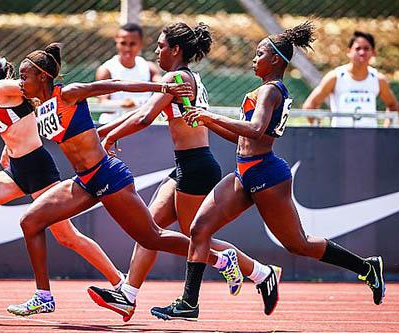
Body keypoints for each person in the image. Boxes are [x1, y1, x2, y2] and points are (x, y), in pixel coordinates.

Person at [151, 21, 386, 322]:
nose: (253, 59)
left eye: (259, 53)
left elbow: (256, 129)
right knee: (198, 229)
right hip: (244, 173)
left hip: (266, 175)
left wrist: (210, 115)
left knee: (297, 243)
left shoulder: (271, 91)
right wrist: (209, 122)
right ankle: (188, 302)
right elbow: (242, 138)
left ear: (275, 59)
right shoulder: (263, 90)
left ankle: (366, 268)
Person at [6, 42, 242, 316]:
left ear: (42, 77)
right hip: (83, 182)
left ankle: (220, 259)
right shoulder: (40, 107)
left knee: (153, 238)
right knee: (30, 221)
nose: (20, 83)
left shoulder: (68, 93)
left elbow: (117, 85)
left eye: (24, 77)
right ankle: (43, 296)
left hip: (108, 176)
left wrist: (163, 89)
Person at [87, 22, 276, 321]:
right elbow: (141, 111)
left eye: (161, 46)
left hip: (197, 167)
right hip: (186, 165)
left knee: (197, 240)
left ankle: (260, 272)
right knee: (149, 228)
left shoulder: (176, 76)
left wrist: (110, 136)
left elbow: (146, 117)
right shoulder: (184, 76)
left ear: (176, 49)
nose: (157, 51)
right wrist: (105, 131)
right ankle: (127, 295)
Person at [0, 50, 126, 310]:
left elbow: (36, 88)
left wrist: (50, 80)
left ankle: (119, 283)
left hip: (37, 169)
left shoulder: (2, 87)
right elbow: (24, 114)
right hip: (16, 170)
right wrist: (8, 146)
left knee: (68, 237)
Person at [303, 31, 398, 128]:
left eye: (366, 48)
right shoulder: (335, 77)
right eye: (358, 48)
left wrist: (386, 131)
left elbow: (393, 106)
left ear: (373, 52)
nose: (362, 52)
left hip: (369, 139)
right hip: (340, 139)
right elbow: (310, 105)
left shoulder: (378, 79)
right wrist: (320, 131)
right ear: (349, 51)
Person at [96, 23, 161, 124]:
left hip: (142, 125)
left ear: (141, 43)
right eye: (123, 43)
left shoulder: (149, 68)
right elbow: (103, 103)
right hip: (112, 125)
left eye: (132, 44)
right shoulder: (106, 70)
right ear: (116, 41)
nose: (127, 48)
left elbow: (163, 88)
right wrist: (124, 104)